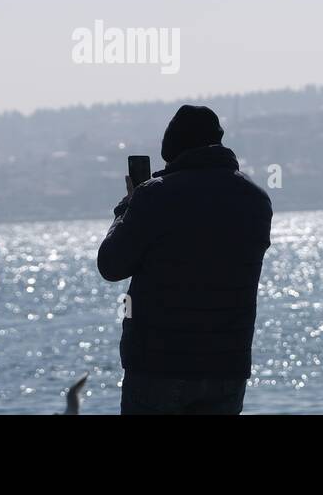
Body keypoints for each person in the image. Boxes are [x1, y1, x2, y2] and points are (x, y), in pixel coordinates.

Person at [98, 104, 272, 414]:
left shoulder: (153, 196)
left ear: (171, 150)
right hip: (226, 365)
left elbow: (111, 266)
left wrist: (127, 207)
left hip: (159, 365)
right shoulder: (256, 200)